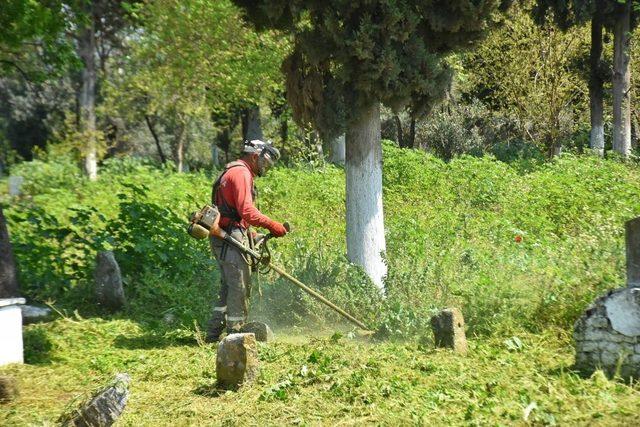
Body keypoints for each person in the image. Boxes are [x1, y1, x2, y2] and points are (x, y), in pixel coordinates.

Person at [206, 139, 288, 342]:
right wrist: (273, 225)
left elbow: (233, 211)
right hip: (228, 236)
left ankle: (213, 333)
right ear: (254, 156)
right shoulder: (242, 173)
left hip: (228, 234)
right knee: (240, 286)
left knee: (229, 285)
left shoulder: (231, 171)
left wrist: (249, 234)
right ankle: (236, 336)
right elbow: (247, 211)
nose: (266, 168)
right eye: (265, 163)